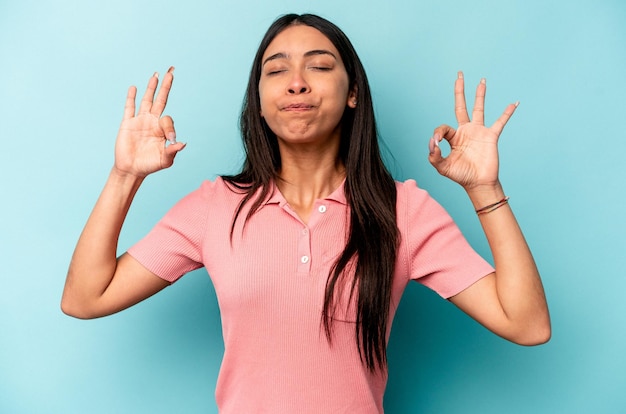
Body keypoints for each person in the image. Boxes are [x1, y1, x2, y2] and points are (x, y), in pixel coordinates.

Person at [61, 13, 550, 413]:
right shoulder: (215, 207)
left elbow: (527, 324)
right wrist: (125, 176)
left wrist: (486, 188)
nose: (295, 83)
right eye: (275, 71)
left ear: (353, 92)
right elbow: (86, 297)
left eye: (318, 66)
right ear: (259, 99)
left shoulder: (403, 211)